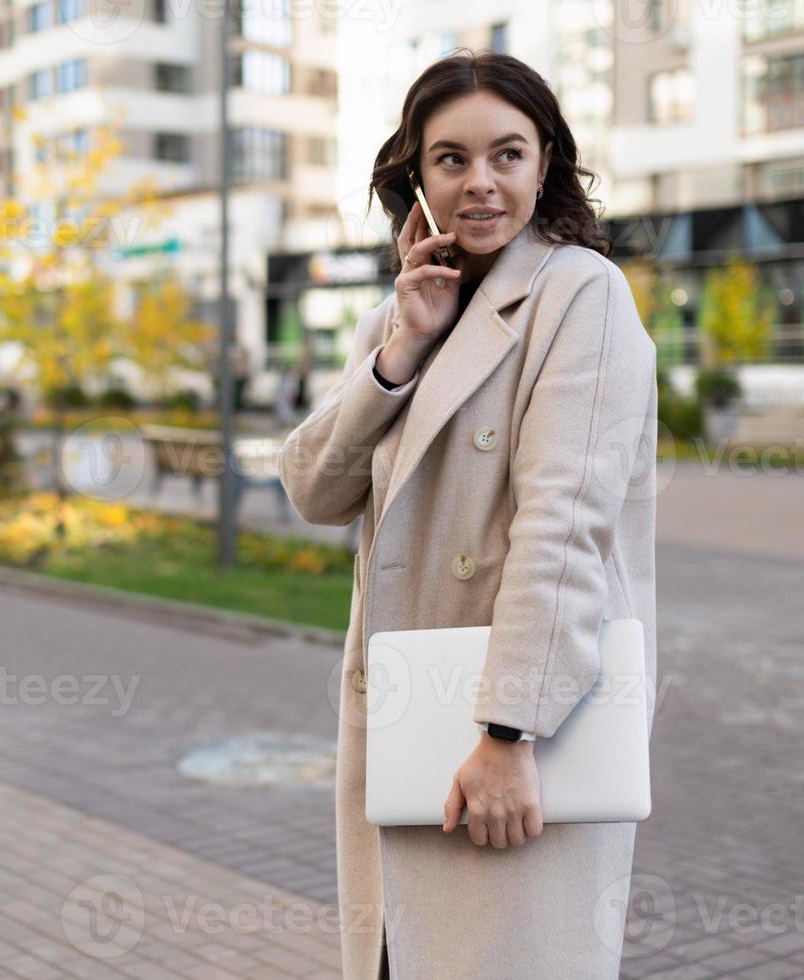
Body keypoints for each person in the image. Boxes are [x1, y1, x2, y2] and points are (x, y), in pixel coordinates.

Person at [276, 49, 658, 980]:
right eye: (450, 159)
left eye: (507, 155)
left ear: (545, 164)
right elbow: (315, 490)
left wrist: (507, 735)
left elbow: (562, 529)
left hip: (511, 737)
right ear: (416, 174)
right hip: (409, 737)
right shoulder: (411, 308)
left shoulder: (581, 294)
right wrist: (402, 350)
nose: (479, 183)